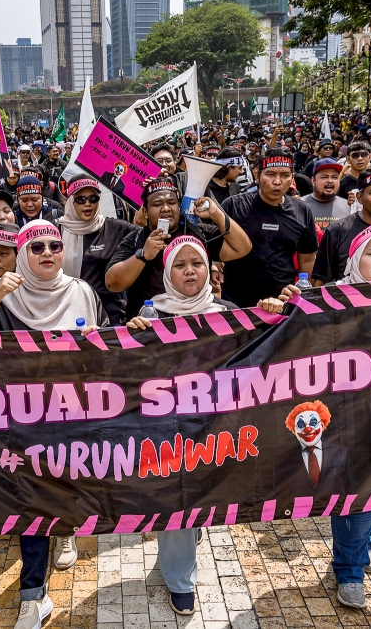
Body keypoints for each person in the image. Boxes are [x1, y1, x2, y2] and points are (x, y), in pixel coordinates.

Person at [0, 220, 105, 629]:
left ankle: (64, 531)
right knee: (31, 502)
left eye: (55, 245)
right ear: (22, 254)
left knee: (66, 488)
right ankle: (33, 595)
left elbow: (109, 350)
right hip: (23, 419)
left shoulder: (82, 292)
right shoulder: (5, 297)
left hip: (76, 414)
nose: (47, 253)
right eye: (36, 246)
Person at [260, 224, 371, 609]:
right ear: (355, 258)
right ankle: (350, 570)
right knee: (356, 488)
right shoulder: (328, 297)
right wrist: (284, 304)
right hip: (342, 413)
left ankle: (361, 545)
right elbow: (292, 331)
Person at [123, 236, 238, 616]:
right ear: (166, 272)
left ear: (209, 269)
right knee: (179, 499)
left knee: (199, 501)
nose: (190, 270)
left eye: (197, 263)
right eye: (180, 265)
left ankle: (184, 541)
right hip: (166, 429)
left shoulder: (229, 311)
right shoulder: (151, 314)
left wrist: (272, 311)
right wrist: (132, 336)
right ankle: (179, 579)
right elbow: (132, 374)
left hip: (214, 427)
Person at [105, 178, 251, 317]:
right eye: (157, 204)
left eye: (171, 202)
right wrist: (143, 255)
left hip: (197, 321)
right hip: (151, 326)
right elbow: (112, 284)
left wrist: (217, 215)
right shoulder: (136, 238)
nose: (166, 208)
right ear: (145, 212)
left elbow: (242, 248)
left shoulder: (198, 232)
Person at [219, 150, 318, 305]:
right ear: (257, 176)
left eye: (285, 175)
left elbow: (307, 259)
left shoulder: (302, 210)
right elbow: (217, 250)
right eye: (271, 174)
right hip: (237, 304)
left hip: (283, 302)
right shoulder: (234, 206)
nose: (277, 181)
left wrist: (302, 294)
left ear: (292, 178)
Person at [56, 177, 136, 324]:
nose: (87, 204)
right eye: (80, 199)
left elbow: (147, 235)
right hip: (68, 315)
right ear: (70, 202)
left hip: (111, 317)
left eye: (93, 198)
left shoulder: (115, 228)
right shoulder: (56, 231)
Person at [301, 158, 352, 229]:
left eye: (334, 177)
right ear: (313, 181)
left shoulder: (348, 206)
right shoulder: (300, 206)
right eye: (324, 177)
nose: (330, 181)